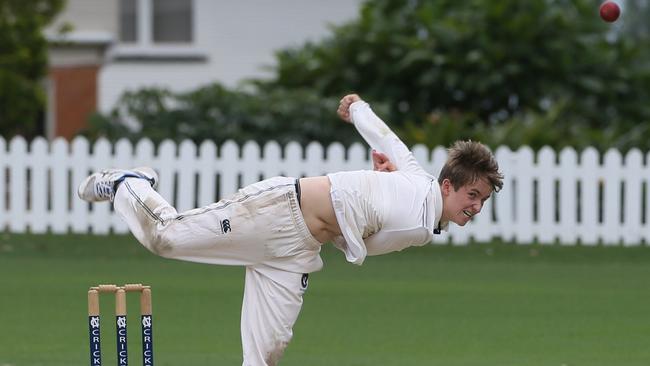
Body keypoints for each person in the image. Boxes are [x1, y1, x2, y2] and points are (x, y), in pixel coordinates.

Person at [77, 94, 503, 366]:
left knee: (264, 357)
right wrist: (378, 182)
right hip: (276, 212)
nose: (476, 206)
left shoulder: (413, 178)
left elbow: (389, 142)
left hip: (296, 251)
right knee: (164, 237)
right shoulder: (418, 219)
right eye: (472, 194)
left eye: (482, 200)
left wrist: (357, 109)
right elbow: (361, 251)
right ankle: (128, 183)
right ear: (448, 185)